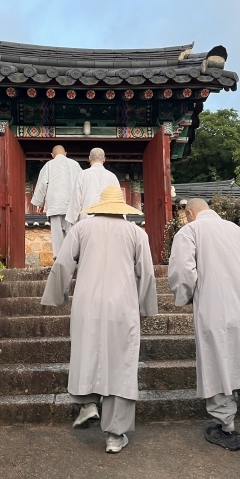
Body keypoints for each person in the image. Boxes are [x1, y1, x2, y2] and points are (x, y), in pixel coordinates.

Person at [41, 185, 158, 453]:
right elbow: (147, 273)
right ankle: (115, 435)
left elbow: (62, 264)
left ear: (99, 205)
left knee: (86, 352)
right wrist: (145, 306)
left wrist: (58, 296)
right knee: (121, 364)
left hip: (87, 303)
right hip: (122, 304)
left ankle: (88, 403)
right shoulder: (135, 233)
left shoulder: (82, 228)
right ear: (122, 208)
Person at [168, 198, 240, 452]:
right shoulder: (236, 230)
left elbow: (184, 272)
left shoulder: (190, 231)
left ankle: (226, 428)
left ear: (189, 213)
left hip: (213, 305)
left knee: (217, 360)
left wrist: (184, 295)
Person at [31, 145, 82, 259]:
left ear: (52, 155)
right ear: (65, 153)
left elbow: (42, 184)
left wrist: (40, 203)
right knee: (71, 233)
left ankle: (58, 258)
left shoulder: (49, 165)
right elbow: (81, 184)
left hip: (54, 205)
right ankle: (72, 257)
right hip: (71, 205)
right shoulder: (75, 165)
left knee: (57, 235)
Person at [65, 147, 120, 225]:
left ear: (89, 158)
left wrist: (73, 220)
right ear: (104, 159)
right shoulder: (112, 176)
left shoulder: (82, 175)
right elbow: (118, 199)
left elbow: (76, 199)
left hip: (86, 220)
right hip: (108, 220)